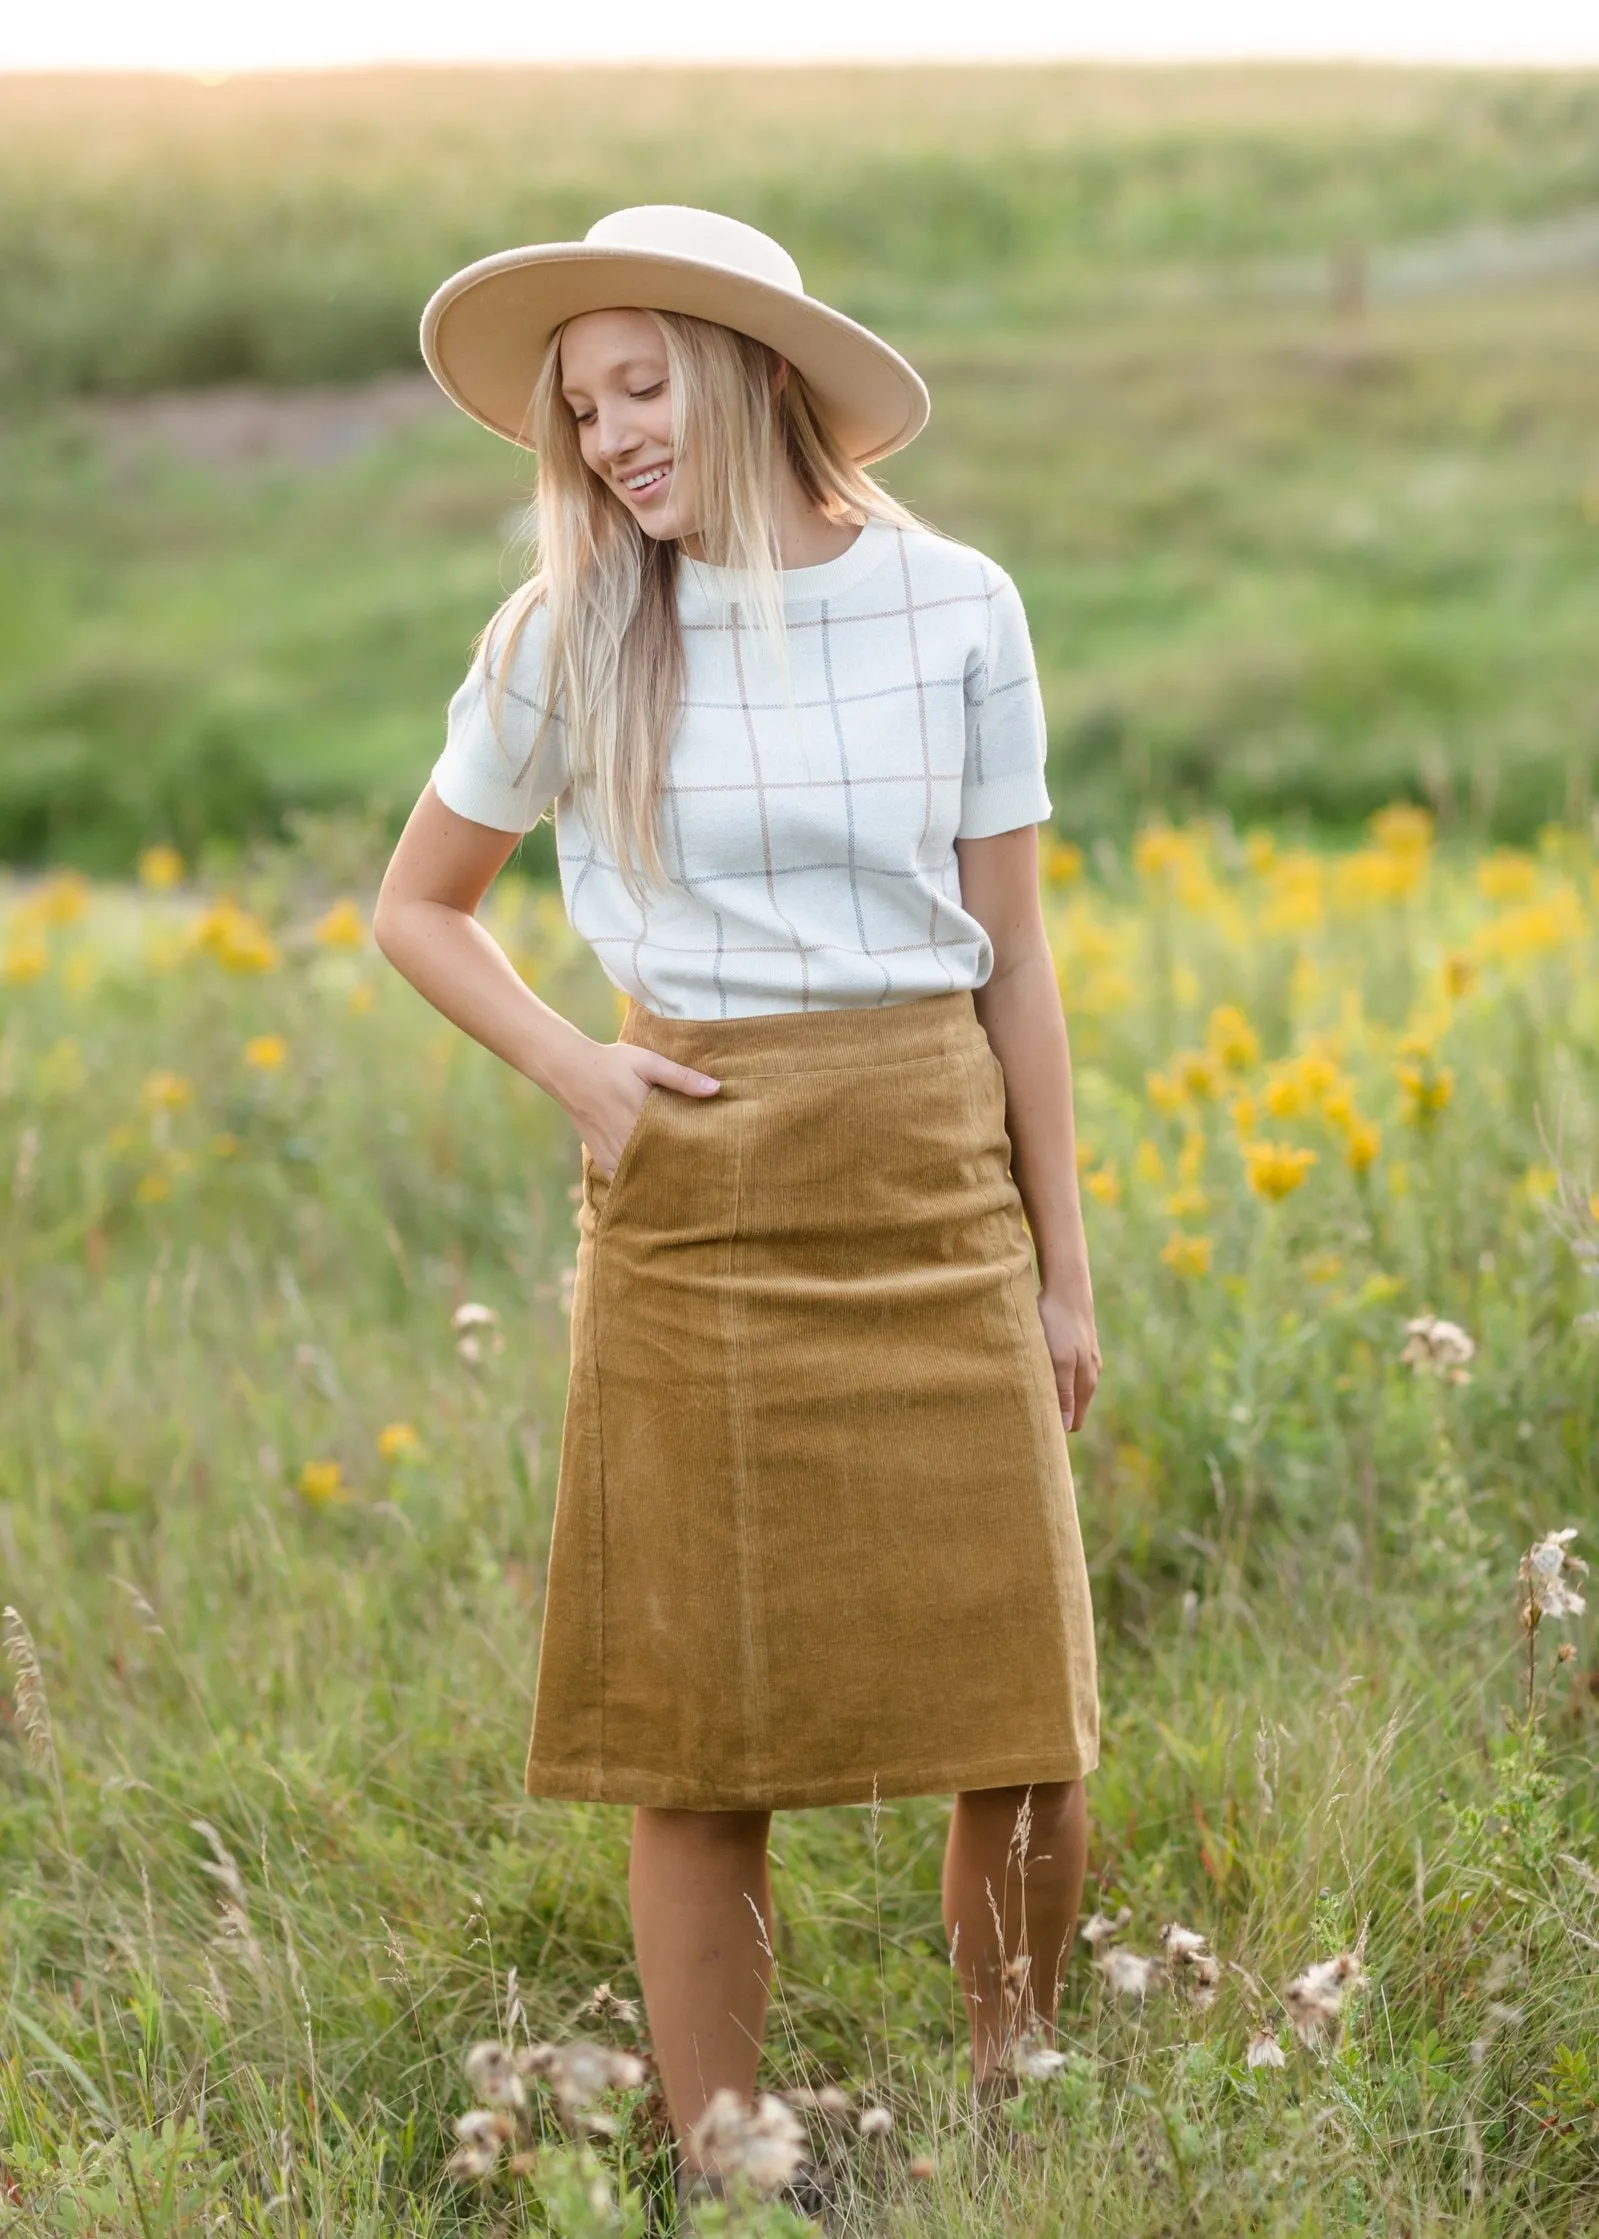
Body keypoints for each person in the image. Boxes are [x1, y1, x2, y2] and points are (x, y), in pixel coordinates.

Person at [375, 204, 1102, 2215]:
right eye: (576, 407)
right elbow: (415, 910)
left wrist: (1063, 1265)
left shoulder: (956, 603)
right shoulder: (568, 631)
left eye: (635, 386)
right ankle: (723, 2154)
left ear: (747, 366)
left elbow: (1013, 964)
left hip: (929, 1173)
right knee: (695, 1727)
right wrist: (581, 1068)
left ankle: (1013, 2101)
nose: (604, 437)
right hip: (694, 1192)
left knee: (1022, 1709)